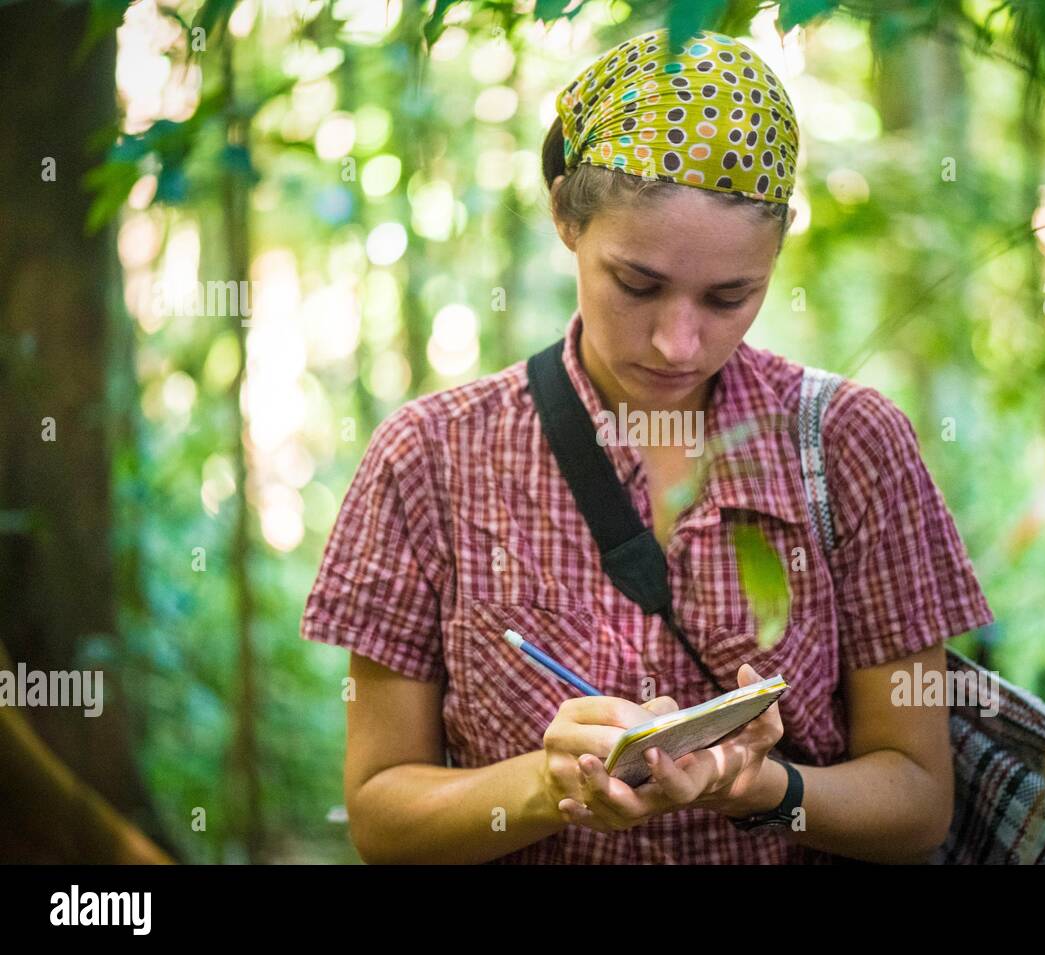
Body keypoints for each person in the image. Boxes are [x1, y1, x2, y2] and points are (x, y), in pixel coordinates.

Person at [300, 26, 994, 864]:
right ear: (566, 219)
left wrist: (768, 789)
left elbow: (918, 799)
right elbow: (380, 812)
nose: (680, 342)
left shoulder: (851, 446)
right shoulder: (431, 458)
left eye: (731, 296)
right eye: (638, 284)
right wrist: (545, 786)